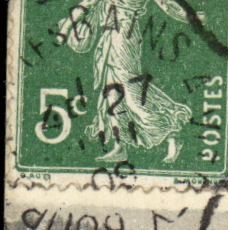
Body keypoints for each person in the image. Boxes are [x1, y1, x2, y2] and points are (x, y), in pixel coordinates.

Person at [60, 0, 197, 163]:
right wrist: (65, 29)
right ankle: (120, 146)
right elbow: (88, 3)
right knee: (111, 91)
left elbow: (166, 4)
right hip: (109, 36)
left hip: (124, 35)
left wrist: (192, 18)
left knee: (130, 91)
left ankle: (173, 130)